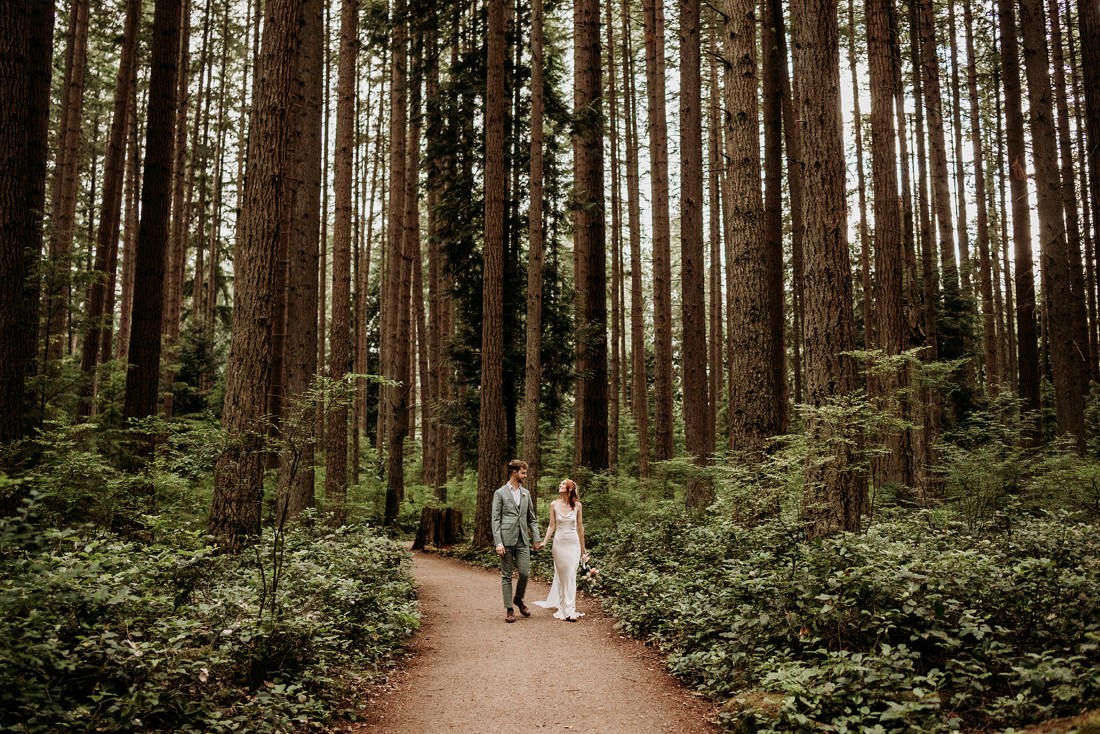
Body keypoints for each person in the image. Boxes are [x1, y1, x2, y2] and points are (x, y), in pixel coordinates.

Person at [492, 459, 542, 623]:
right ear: (514, 473)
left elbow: (532, 519)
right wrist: (498, 542)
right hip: (506, 540)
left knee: (525, 573)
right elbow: (495, 520)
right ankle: (509, 609)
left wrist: (536, 538)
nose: (525, 475)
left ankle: (518, 598)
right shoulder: (500, 493)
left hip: (523, 540)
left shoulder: (526, 493)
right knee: (506, 576)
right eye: (523, 472)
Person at [534, 478, 586, 622]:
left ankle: (570, 610)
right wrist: (545, 541)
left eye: (563, 484)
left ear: (570, 489)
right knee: (563, 578)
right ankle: (564, 609)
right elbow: (552, 525)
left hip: (573, 544)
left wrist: (583, 550)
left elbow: (580, 527)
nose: (560, 485)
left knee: (570, 575)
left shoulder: (577, 506)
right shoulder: (554, 504)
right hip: (559, 545)